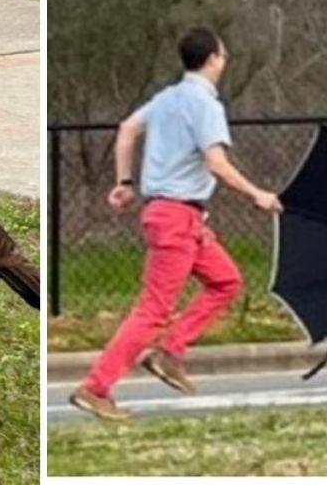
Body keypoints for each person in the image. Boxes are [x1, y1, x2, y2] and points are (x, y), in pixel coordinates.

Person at [69, 27, 283, 420]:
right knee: (152, 310)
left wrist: (124, 182)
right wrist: (258, 194)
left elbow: (127, 129)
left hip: (180, 216)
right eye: (223, 53)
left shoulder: (166, 99)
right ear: (214, 58)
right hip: (176, 217)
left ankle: (170, 351)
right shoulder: (205, 105)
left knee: (226, 280)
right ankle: (95, 387)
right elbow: (216, 162)